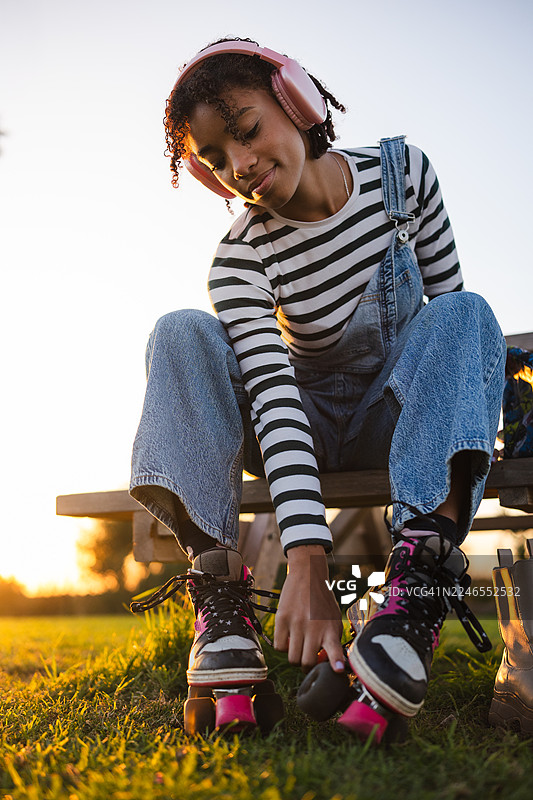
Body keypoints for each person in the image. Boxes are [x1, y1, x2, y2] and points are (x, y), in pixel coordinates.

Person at [130, 37, 506, 726]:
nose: (240, 165)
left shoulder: (404, 179)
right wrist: (305, 559)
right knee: (179, 329)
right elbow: (272, 397)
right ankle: (221, 603)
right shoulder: (238, 258)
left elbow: (454, 343)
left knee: (464, 311)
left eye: (246, 131)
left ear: (296, 101)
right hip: (291, 430)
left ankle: (413, 590)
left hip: (390, 428)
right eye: (217, 160)